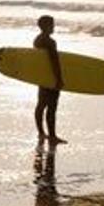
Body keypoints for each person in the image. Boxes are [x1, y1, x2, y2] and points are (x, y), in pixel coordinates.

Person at [33, 15, 66, 145]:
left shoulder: (37, 40)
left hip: (42, 76)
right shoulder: (50, 42)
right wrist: (59, 79)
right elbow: (54, 61)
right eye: (52, 24)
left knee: (41, 104)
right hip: (51, 77)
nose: (53, 27)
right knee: (52, 107)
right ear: (45, 26)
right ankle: (52, 136)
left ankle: (41, 133)